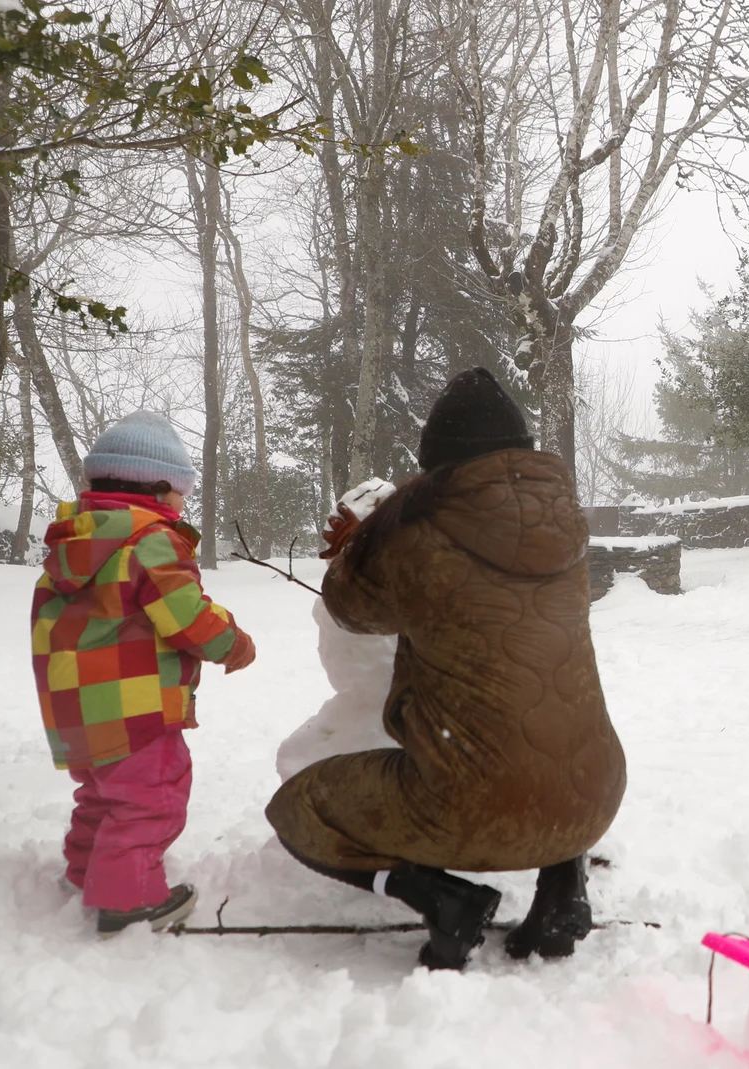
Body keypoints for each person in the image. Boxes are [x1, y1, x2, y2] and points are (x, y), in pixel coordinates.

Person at [266, 367, 626, 971]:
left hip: (478, 801)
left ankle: (442, 897)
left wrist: (368, 537)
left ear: (437, 461)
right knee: (542, 732)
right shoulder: (566, 530)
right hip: (596, 792)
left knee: (300, 810)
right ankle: (564, 887)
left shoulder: (419, 533)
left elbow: (351, 610)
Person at [33, 411, 256, 935]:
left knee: (104, 794)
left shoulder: (75, 542)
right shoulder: (152, 539)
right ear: (157, 488)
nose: (183, 504)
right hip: (137, 706)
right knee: (152, 797)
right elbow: (186, 615)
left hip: (76, 705)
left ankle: (87, 872)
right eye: (181, 492)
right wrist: (234, 643)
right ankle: (126, 900)